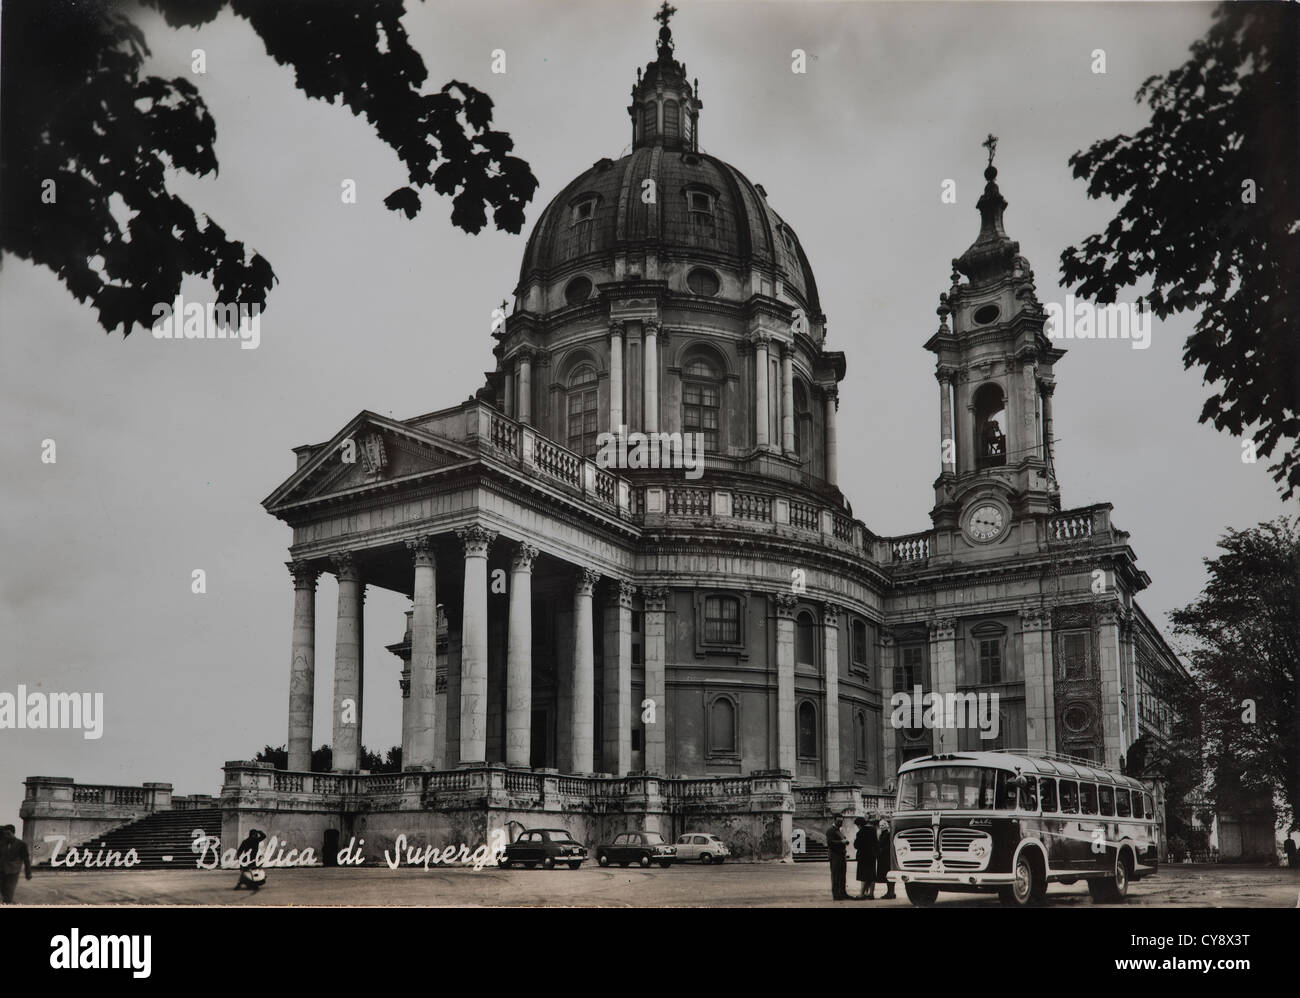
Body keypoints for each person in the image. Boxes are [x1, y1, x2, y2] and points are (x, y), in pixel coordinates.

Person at [0, 825, 32, 904]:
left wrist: (28, 873)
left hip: (13, 871)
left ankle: (8, 903)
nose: (6, 836)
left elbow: (26, 859)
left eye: (8, 834)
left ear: (13, 833)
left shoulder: (21, 844)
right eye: (5, 834)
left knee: (9, 890)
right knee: (2, 890)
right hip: (1, 870)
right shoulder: (2, 843)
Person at [826, 815, 850, 901]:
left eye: (841, 821)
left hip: (841, 855)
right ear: (834, 820)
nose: (840, 823)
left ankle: (843, 893)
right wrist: (841, 842)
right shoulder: (830, 831)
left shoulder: (839, 830)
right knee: (836, 875)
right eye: (839, 821)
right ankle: (836, 894)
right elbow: (830, 843)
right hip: (835, 855)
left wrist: (845, 841)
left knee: (842, 875)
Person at [853, 817, 877, 898]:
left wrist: (855, 841)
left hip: (863, 857)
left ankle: (862, 894)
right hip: (872, 856)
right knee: (872, 875)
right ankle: (871, 894)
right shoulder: (873, 830)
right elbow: (876, 843)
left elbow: (856, 845)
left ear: (859, 825)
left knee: (863, 875)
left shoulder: (860, 832)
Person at [876, 818, 896, 899]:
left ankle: (891, 893)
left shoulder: (887, 834)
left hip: (886, 857)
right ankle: (890, 892)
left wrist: (880, 850)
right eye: (880, 825)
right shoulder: (883, 834)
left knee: (888, 875)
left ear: (886, 825)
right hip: (883, 857)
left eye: (883, 825)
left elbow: (887, 846)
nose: (882, 827)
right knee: (886, 876)